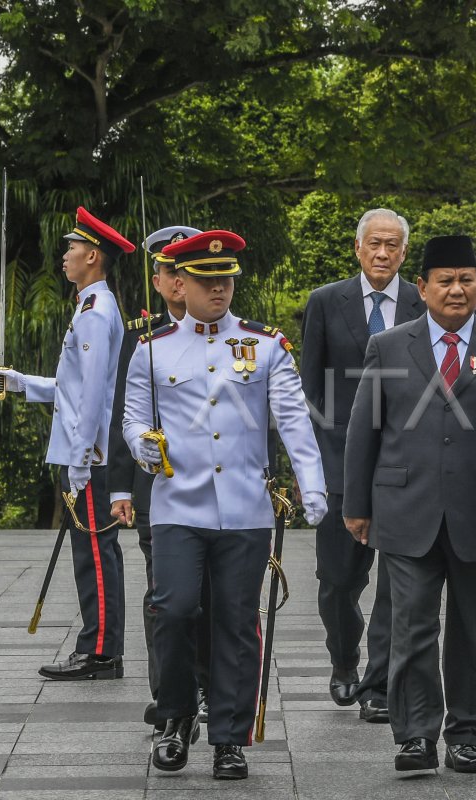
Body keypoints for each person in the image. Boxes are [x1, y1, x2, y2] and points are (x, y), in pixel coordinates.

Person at [342, 235, 476, 774]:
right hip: (405, 508)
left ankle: (467, 733)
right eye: (446, 280)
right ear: (424, 287)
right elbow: (363, 430)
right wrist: (357, 503)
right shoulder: (390, 347)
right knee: (411, 628)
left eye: (466, 279)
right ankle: (414, 734)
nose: (457, 290)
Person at [123, 229, 326, 780]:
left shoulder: (265, 345)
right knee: (175, 608)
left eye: (226, 281)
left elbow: (292, 418)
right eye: (206, 281)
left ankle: (230, 738)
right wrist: (142, 443)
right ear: (178, 284)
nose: (219, 290)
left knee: (236, 621)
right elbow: (134, 417)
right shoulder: (151, 349)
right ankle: (174, 718)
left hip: (244, 507)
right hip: (176, 505)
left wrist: (313, 486)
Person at [0, 207, 134, 680]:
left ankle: (101, 654)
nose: (64, 255)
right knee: (91, 554)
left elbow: (93, 396)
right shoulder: (92, 307)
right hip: (87, 449)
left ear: (92, 255)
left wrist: (82, 459)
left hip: (88, 453)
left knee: (95, 553)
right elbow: (73, 388)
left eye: (71, 248)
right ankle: (97, 646)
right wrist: (18, 382)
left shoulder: (95, 313)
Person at [301, 208, 424, 721]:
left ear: (403, 252)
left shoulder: (424, 302)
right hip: (338, 462)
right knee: (337, 581)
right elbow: (308, 389)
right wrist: (307, 465)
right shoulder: (327, 302)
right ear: (357, 248)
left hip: (404, 463)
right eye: (374, 244)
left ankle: (378, 683)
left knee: (400, 582)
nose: (382, 254)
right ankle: (344, 658)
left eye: (392, 245)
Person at [107, 225, 212, 728]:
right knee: (165, 598)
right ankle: (169, 694)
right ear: (158, 280)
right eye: (169, 272)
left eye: (184, 271)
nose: (177, 281)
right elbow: (121, 414)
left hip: (217, 491)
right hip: (159, 488)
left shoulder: (232, 333)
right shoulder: (139, 337)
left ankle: (211, 686)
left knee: (211, 597)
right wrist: (122, 485)